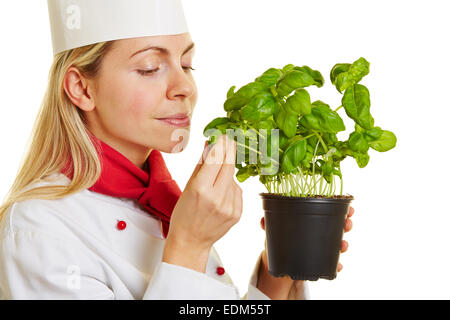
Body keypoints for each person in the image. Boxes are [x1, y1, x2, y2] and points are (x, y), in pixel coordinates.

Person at [0, 0, 354, 299]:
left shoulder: (161, 201)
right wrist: (188, 245)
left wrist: (278, 277)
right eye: (150, 68)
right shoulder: (39, 230)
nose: (184, 86)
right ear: (82, 88)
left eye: (187, 64)